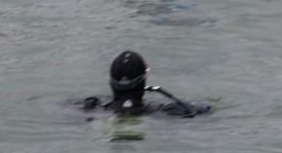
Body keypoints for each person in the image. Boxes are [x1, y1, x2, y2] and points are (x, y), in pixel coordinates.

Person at [82, 50, 211, 117]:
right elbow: (205, 109)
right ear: (145, 78)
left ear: (110, 81)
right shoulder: (170, 111)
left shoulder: (90, 106)